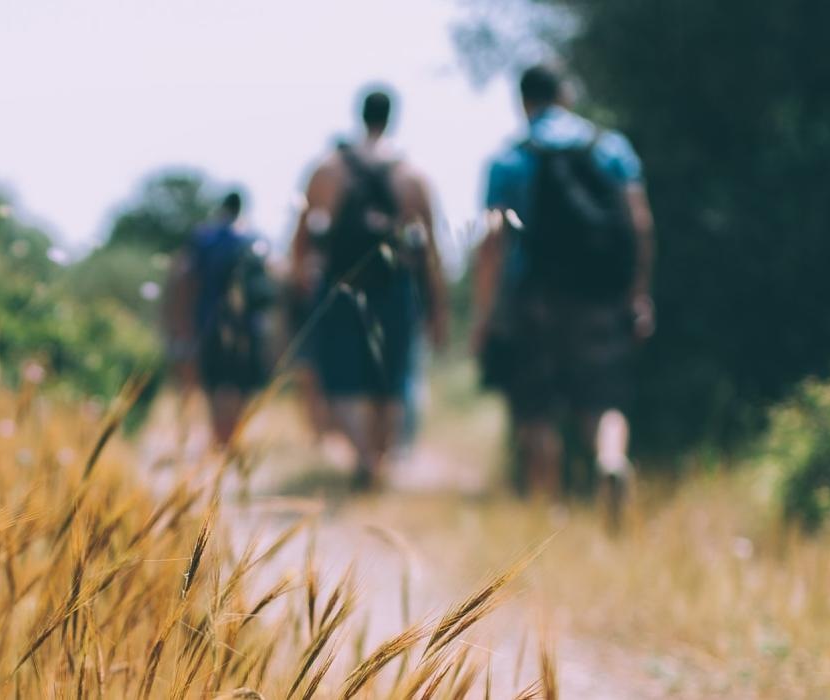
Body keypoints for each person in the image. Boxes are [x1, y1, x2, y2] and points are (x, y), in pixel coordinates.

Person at [471, 65, 655, 527]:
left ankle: (548, 516)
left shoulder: (509, 159)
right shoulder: (609, 148)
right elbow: (639, 223)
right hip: (601, 293)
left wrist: (486, 313)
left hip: (536, 297)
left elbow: (493, 242)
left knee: (537, 408)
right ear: (566, 94)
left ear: (523, 101)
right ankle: (610, 461)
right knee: (603, 397)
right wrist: (638, 292)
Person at [289, 88, 450, 491]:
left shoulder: (328, 169)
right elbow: (430, 250)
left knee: (344, 377)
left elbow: (301, 241)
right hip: (395, 287)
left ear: (359, 116)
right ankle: (379, 460)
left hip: (341, 286)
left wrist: (298, 292)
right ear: (392, 117)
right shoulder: (412, 175)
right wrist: (437, 309)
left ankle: (362, 456)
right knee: (389, 377)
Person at [165, 192, 277, 449]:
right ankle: (232, 435)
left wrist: (181, 323)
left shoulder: (204, 238)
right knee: (241, 383)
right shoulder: (254, 238)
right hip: (249, 325)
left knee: (215, 384)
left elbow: (185, 280)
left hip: (210, 323)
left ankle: (219, 438)